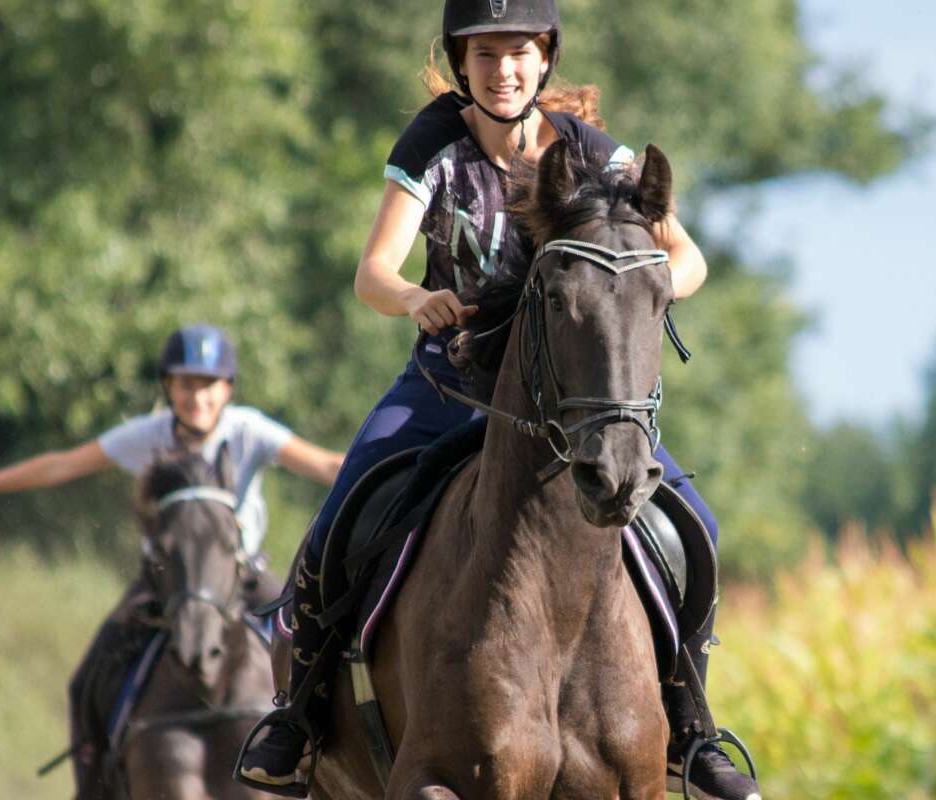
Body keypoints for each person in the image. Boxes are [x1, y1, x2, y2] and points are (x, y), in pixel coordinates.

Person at [236, 2, 761, 798]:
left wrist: (643, 289)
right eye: (484, 54)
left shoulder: (590, 152)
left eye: (517, 52)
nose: (502, 70)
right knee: (343, 509)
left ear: (545, 58)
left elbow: (684, 257)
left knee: (696, 526)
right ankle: (298, 714)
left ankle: (689, 722)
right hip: (447, 384)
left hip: (572, 402)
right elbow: (372, 272)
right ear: (460, 62)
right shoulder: (434, 143)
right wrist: (415, 298)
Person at [0, 323, 345, 799]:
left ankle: (329, 764)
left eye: (207, 384)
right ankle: (94, 786)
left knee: (308, 646)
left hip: (241, 576)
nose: (196, 396)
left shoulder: (249, 430)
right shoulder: (148, 436)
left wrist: (394, 466)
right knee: (88, 678)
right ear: (168, 386)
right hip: (165, 580)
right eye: (185, 383)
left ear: (228, 388)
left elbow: (325, 467)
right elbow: (61, 465)